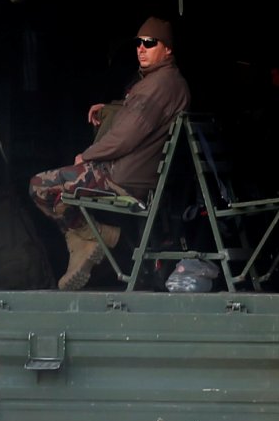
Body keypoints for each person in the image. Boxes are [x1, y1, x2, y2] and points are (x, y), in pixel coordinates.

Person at [29, 17, 190, 289]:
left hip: (120, 179)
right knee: (59, 187)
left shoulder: (158, 85)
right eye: (139, 43)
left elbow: (127, 135)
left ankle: (93, 235)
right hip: (135, 176)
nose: (141, 48)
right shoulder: (165, 83)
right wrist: (110, 108)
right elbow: (139, 114)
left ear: (168, 49)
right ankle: (89, 239)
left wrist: (89, 155)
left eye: (150, 43)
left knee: (40, 187)